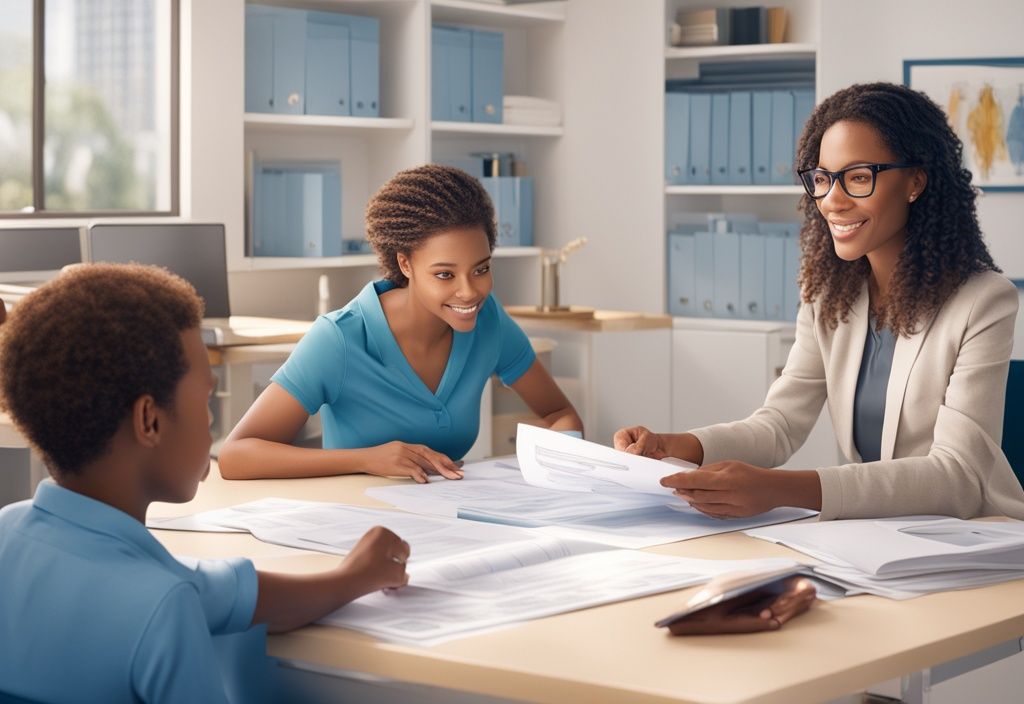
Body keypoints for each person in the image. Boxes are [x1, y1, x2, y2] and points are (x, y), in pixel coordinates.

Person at [0, 264, 410, 703]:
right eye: (206, 398)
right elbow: (174, 595)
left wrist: (350, 577)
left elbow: (214, 590)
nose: (213, 419)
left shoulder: (8, 529)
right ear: (149, 420)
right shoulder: (164, 606)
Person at [616, 82, 1024, 521]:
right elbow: (779, 425)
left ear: (915, 182)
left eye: (859, 177)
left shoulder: (983, 301)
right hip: (879, 534)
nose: (832, 199)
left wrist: (781, 489)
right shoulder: (830, 299)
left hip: (977, 539)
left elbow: (957, 478)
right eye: (824, 178)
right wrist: (679, 447)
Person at [220, 165, 582, 482]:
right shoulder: (340, 338)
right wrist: (366, 460)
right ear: (406, 265)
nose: (469, 292)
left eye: (481, 269)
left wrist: (565, 466)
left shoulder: (489, 322)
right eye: (444, 274)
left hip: (453, 519)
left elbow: (559, 413)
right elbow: (236, 456)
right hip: (356, 526)